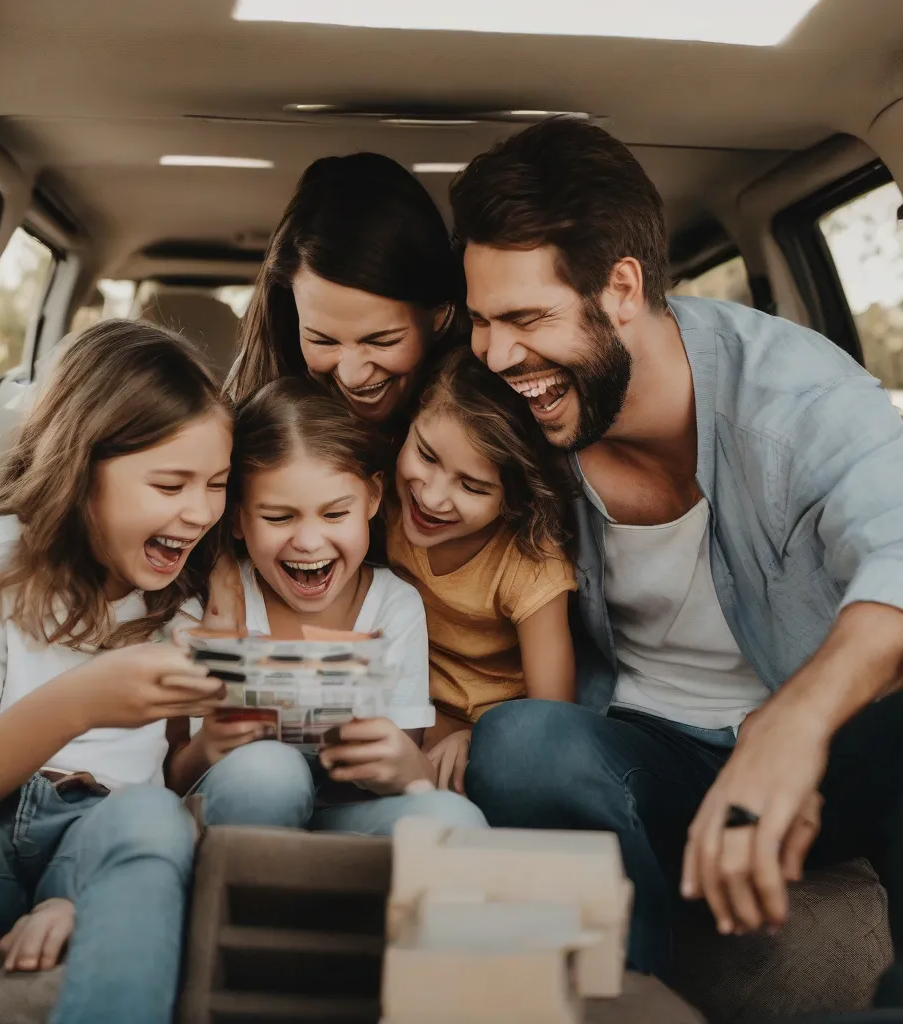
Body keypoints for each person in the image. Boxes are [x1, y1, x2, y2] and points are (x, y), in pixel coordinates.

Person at [450, 116, 903, 980]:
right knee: (519, 742)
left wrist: (796, 725)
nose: (498, 354)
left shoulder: (795, 396)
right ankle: (632, 996)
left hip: (810, 765)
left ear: (622, 288)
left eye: (526, 318)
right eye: (480, 321)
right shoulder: (500, 403)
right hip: (639, 757)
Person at [0, 320, 233, 1024]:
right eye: (170, 483)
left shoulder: (190, 598)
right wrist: (81, 702)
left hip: (101, 832)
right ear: (81, 470)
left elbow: (165, 777)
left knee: (152, 818)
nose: (199, 512)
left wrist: (211, 747)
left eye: (218, 485)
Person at [169, 377, 487, 834]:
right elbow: (170, 775)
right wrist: (210, 744)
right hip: (242, 808)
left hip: (351, 812)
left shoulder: (393, 605)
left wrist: (406, 765)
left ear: (373, 499)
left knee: (456, 819)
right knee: (271, 772)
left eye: (335, 514)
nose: (309, 541)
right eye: (279, 517)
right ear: (237, 517)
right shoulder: (208, 602)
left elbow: (407, 766)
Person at [386, 346, 577, 793]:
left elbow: (554, 716)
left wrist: (474, 738)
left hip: (488, 739)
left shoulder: (529, 563)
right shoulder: (379, 506)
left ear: (514, 499)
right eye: (427, 456)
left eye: (472, 486)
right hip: (401, 712)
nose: (431, 498)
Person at [225, 152, 461, 435]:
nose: (353, 376)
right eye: (322, 341)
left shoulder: (480, 420)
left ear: (440, 316)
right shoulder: (251, 415)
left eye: (382, 341)